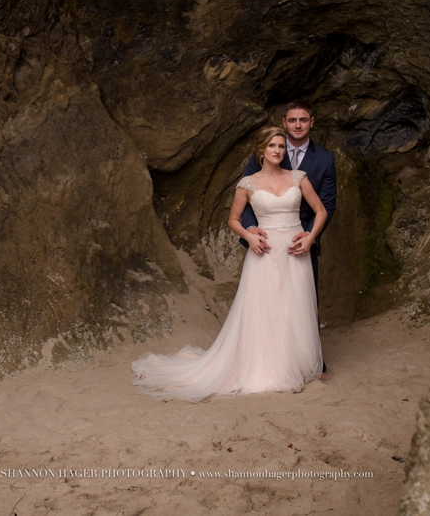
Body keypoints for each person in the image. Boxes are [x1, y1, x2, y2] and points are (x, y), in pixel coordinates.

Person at [131, 126, 327, 401]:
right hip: (265, 251)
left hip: (295, 251)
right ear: (261, 150)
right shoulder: (247, 184)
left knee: (294, 307)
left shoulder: (298, 177)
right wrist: (249, 235)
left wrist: (310, 237)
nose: (277, 151)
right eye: (272, 146)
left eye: (281, 146)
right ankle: (269, 369)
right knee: (268, 309)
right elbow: (233, 220)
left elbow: (320, 211)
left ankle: (295, 365)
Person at [241, 101, 337, 372]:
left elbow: (326, 205)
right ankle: (267, 362)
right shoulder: (267, 149)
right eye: (292, 120)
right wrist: (250, 230)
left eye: (303, 120)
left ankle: (309, 363)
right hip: (267, 241)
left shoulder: (325, 159)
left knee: (303, 301)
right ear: (284, 122)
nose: (297, 125)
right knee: (267, 302)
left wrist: (310, 237)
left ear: (311, 123)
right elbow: (247, 194)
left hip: (302, 240)